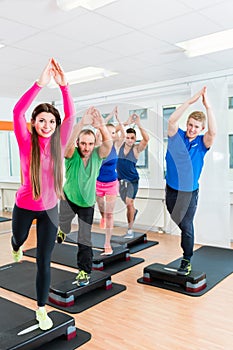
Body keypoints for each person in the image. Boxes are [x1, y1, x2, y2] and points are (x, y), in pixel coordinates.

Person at [11, 58, 75, 330]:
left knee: (44, 262)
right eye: (41, 120)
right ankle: (15, 246)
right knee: (19, 238)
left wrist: (64, 87)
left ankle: (41, 310)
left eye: (51, 121)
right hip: (24, 206)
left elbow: (71, 116)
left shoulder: (60, 142)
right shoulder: (26, 142)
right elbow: (17, 112)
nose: (47, 124)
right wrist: (40, 84)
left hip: (50, 209)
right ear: (35, 123)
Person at [57, 108, 112, 285]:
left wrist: (101, 125)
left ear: (93, 143)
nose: (86, 148)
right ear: (78, 143)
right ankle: (62, 231)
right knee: (64, 225)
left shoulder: (97, 156)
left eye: (89, 144)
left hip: (87, 203)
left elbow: (108, 144)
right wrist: (81, 123)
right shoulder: (71, 155)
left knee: (84, 237)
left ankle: (83, 271)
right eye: (83, 143)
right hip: (69, 198)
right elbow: (68, 143)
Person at [165, 86, 216, 276]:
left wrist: (208, 108)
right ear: (187, 124)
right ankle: (187, 241)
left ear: (201, 129)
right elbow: (171, 120)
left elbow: (213, 132)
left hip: (190, 193)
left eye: (196, 127)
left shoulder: (203, 143)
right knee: (176, 217)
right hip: (171, 189)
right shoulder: (175, 136)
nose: (192, 129)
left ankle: (186, 258)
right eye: (190, 124)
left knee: (186, 225)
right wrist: (190, 102)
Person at [96, 106, 125, 255]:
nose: (112, 135)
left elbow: (124, 135)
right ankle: (102, 217)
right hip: (98, 183)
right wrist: (106, 118)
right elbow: (97, 133)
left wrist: (118, 119)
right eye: (109, 133)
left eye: (114, 133)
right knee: (102, 209)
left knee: (110, 214)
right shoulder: (98, 146)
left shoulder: (116, 146)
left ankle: (107, 244)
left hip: (112, 183)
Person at [117, 113, 149, 238]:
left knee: (129, 203)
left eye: (132, 138)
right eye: (128, 137)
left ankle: (130, 230)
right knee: (128, 204)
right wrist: (127, 122)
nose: (130, 140)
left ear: (135, 139)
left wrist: (139, 124)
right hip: (121, 181)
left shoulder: (136, 149)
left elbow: (146, 139)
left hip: (132, 181)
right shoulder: (118, 146)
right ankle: (133, 212)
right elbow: (114, 131)